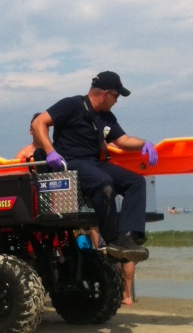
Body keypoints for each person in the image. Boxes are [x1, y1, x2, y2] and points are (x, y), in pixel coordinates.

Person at [31, 71, 158, 263]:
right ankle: (112, 241)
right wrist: (50, 152)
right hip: (70, 163)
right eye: (116, 96)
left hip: (93, 163)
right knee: (103, 183)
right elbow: (39, 122)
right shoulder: (73, 105)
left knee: (136, 182)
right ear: (106, 93)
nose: (116, 101)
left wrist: (145, 144)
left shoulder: (107, 117)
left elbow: (123, 140)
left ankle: (128, 236)